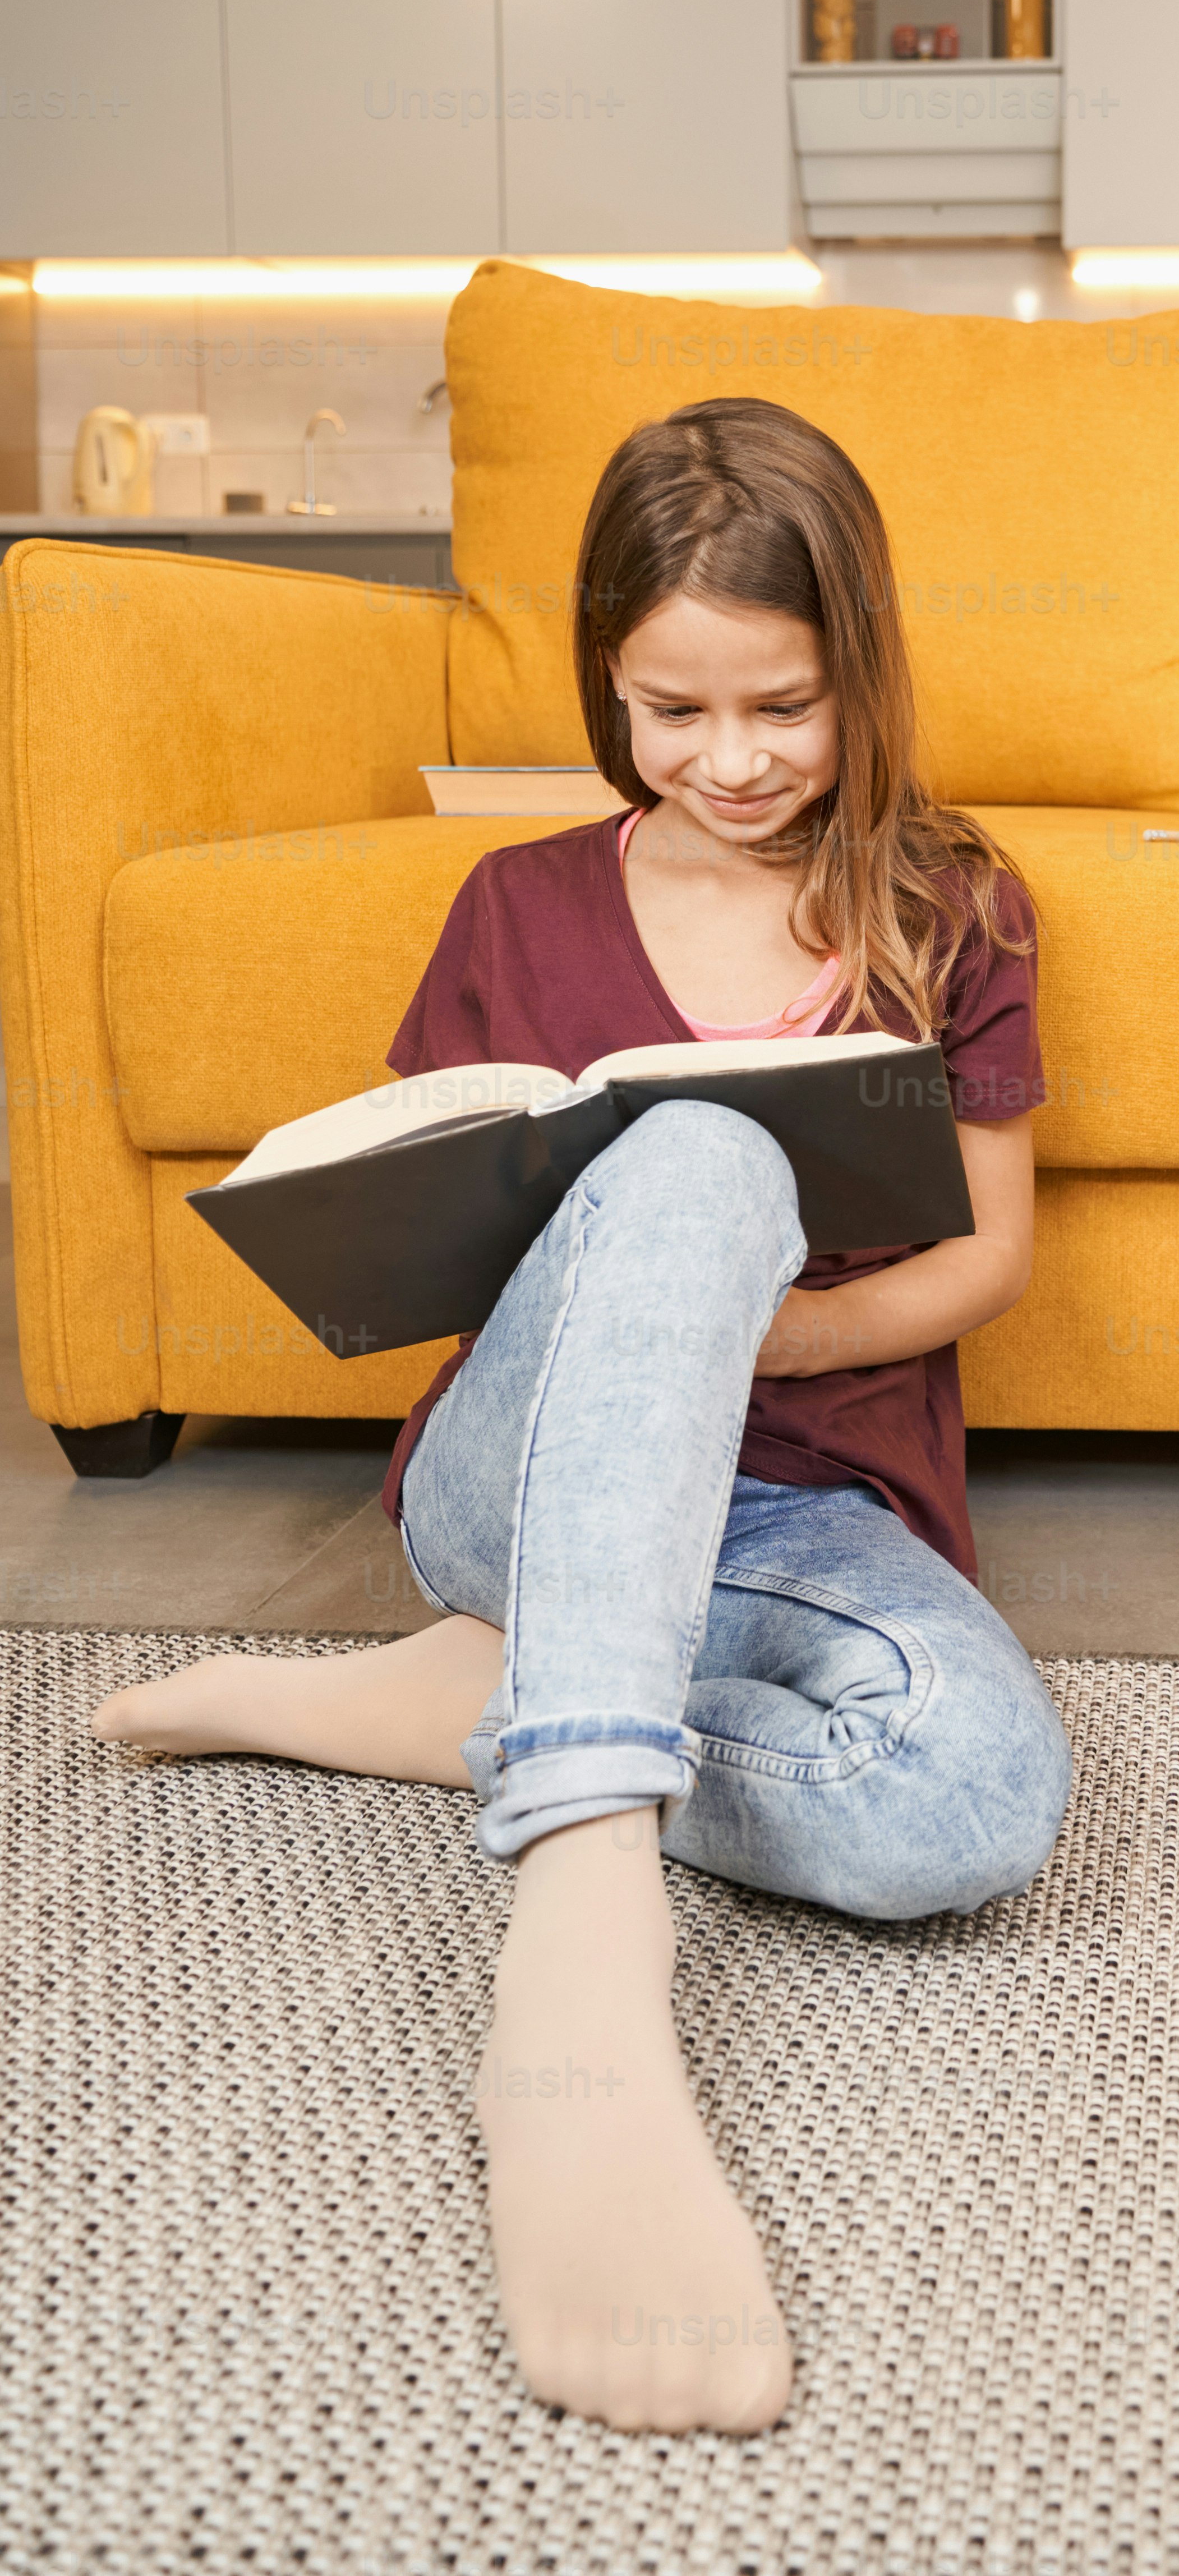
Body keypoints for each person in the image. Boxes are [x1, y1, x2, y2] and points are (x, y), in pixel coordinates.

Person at [91, 398, 1071, 2439]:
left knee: (970, 1807)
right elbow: (454, 1255)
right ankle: (584, 1912)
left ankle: (475, 1705)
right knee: (696, 1157)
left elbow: (985, 1260)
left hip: (803, 1512)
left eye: (782, 705)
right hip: (526, 1486)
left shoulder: (954, 902)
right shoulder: (513, 910)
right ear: (603, 683)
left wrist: (747, 1333)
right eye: (671, 708)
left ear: (860, 665)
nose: (731, 761)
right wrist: (632, 1254)